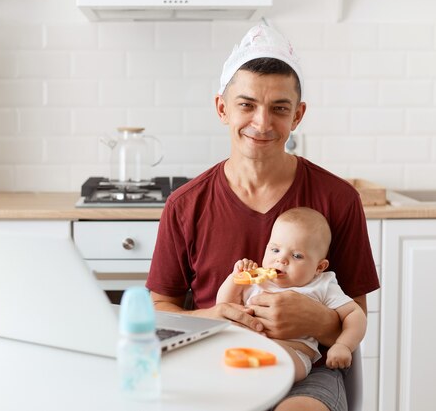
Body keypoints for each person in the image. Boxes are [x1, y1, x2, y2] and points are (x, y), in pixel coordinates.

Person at [146, 24, 379, 411]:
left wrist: (316, 321)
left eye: (279, 109)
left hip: (306, 368)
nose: (262, 123)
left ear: (298, 115)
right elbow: (160, 310)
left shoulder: (339, 199)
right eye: (247, 104)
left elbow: (353, 314)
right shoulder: (185, 205)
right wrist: (213, 315)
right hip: (215, 359)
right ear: (222, 108)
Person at [216, 207, 367, 385]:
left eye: (296, 255)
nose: (281, 259)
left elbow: (355, 315)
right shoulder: (256, 279)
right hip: (245, 349)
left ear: (319, 267)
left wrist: (343, 345)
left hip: (294, 353)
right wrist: (235, 278)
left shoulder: (321, 284)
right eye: (275, 250)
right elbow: (224, 306)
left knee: (272, 365)